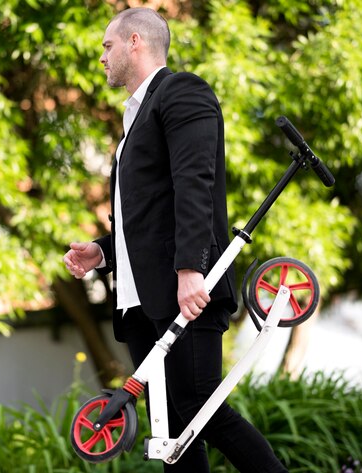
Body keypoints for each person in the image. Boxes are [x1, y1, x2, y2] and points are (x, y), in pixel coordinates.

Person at [63, 7, 287, 473]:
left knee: (203, 412)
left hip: (182, 291)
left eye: (108, 46)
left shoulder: (181, 92)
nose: (102, 57)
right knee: (170, 431)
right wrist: (103, 251)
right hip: (141, 300)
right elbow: (150, 214)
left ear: (135, 42)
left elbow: (194, 182)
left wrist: (191, 269)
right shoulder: (133, 120)